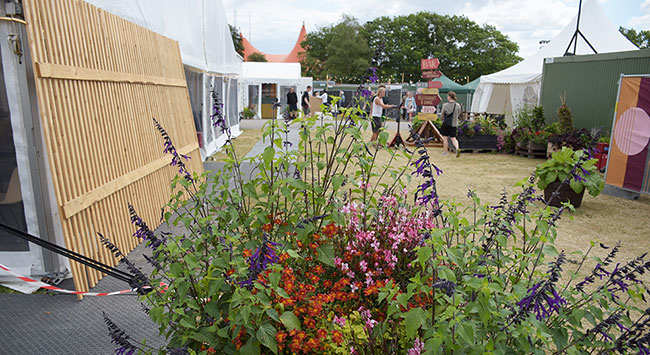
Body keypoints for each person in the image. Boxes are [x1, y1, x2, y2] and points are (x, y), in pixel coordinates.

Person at [440, 91, 462, 157]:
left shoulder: (445, 105)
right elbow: (459, 114)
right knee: (453, 138)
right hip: (454, 124)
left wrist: (442, 119)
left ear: (449, 97)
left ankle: (445, 152)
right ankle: (457, 149)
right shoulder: (458, 105)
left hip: (446, 124)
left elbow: (442, 115)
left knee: (445, 138)